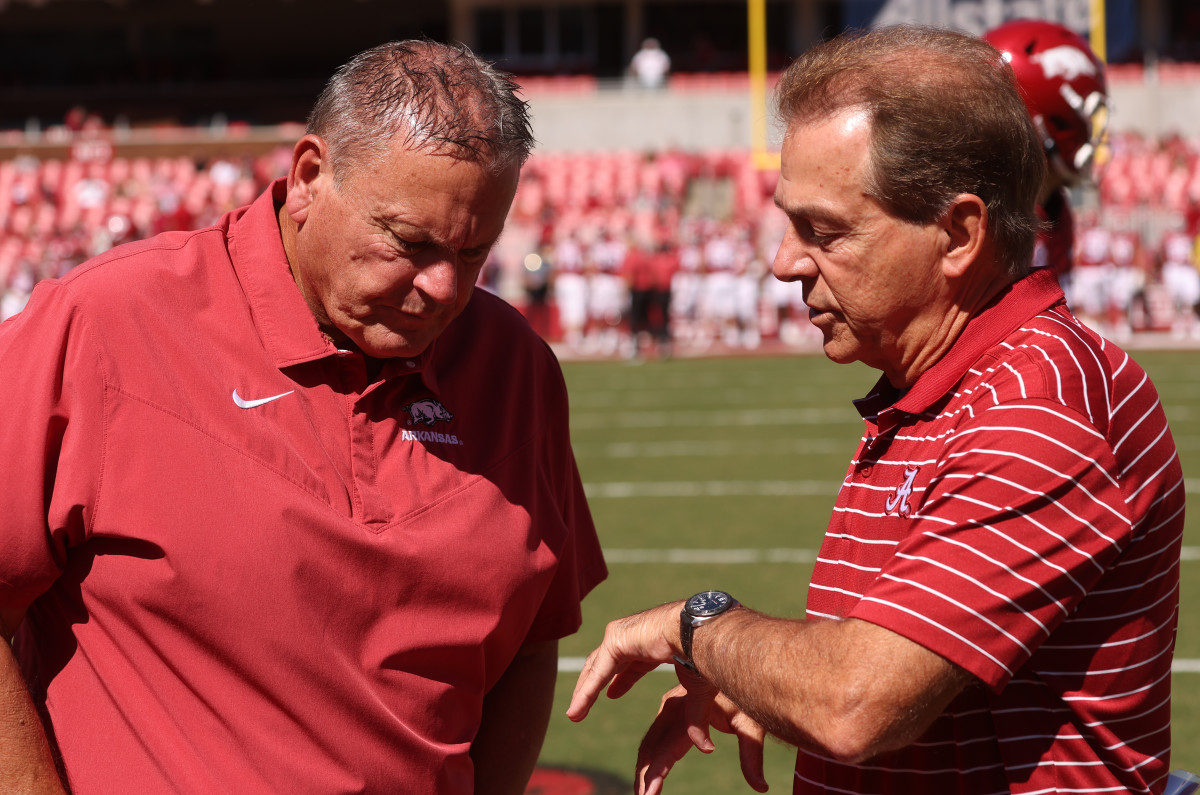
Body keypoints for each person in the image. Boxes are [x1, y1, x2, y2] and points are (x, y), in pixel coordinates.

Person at [568, 25, 1184, 795]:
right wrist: (761, 675)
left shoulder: (1033, 407)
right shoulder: (945, 385)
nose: (783, 262)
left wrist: (698, 625)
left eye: (823, 231)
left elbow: (854, 704)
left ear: (957, 234)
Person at [0, 40, 607, 794]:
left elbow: (530, 634)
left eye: (475, 251)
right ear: (311, 177)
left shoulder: (514, 367)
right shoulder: (108, 322)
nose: (444, 287)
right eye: (409, 242)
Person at [983, 19, 1109, 306]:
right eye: (1085, 118)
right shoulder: (986, 222)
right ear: (1054, 117)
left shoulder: (1054, 210)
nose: (1092, 134)